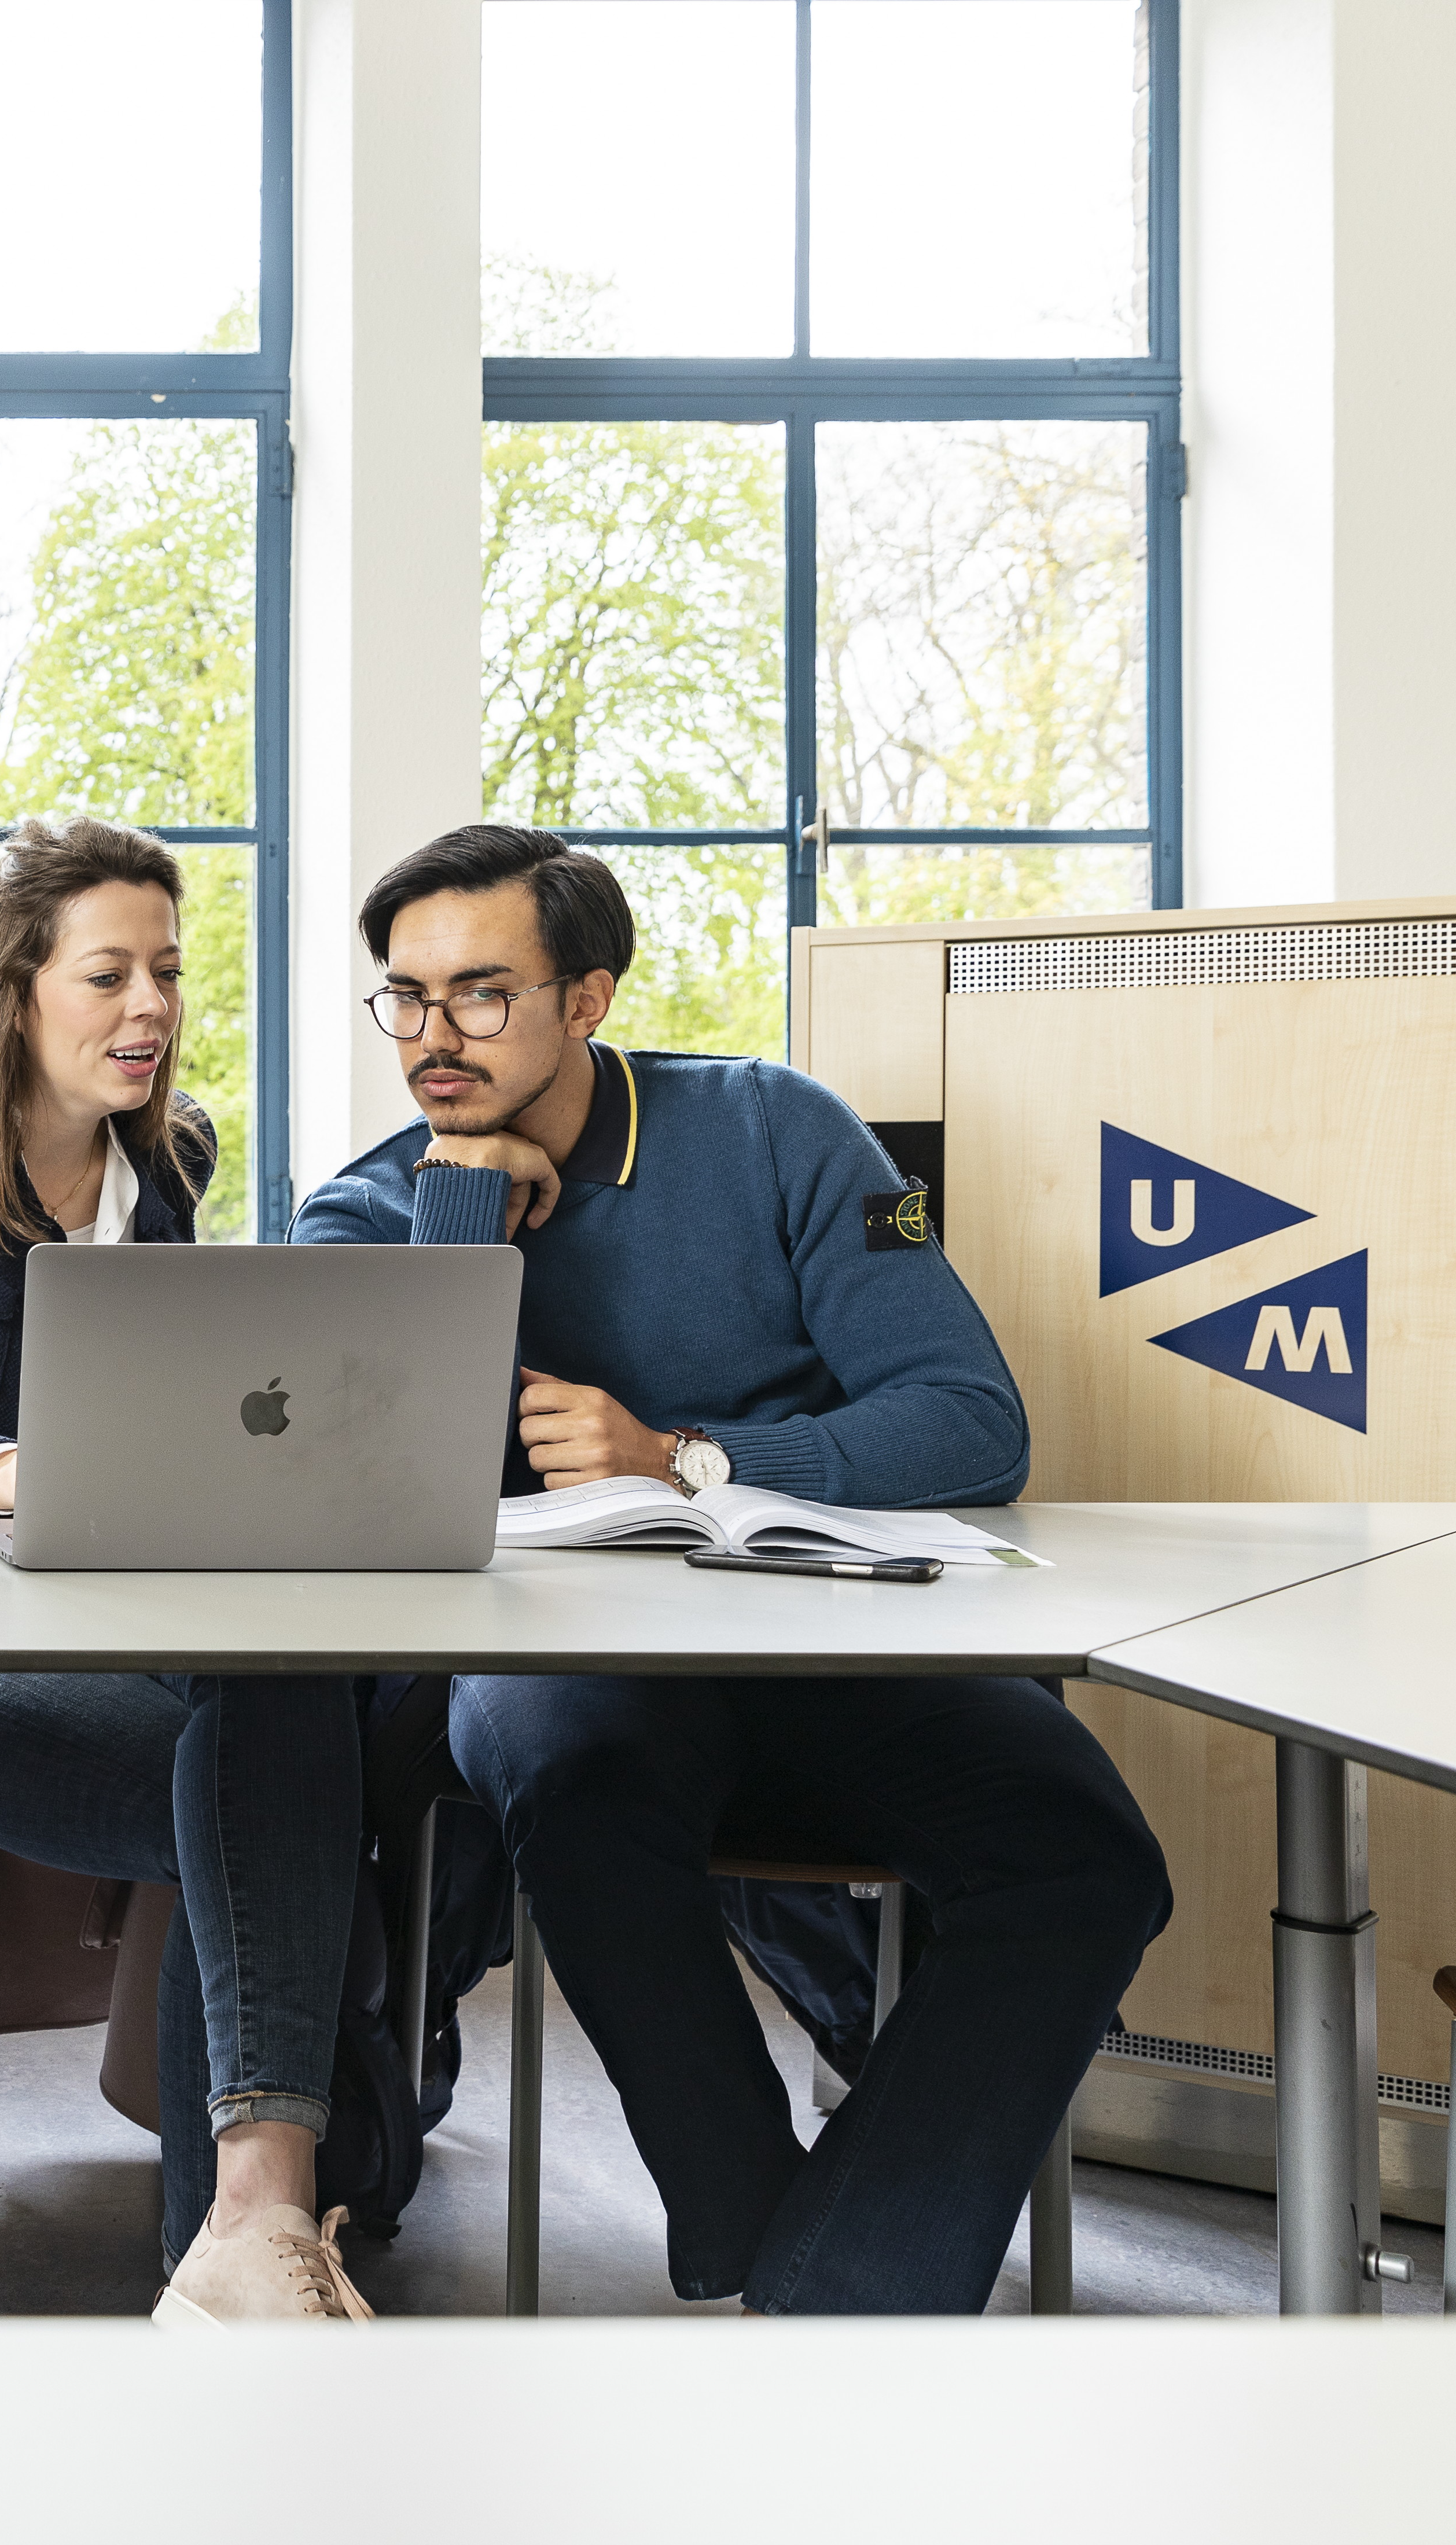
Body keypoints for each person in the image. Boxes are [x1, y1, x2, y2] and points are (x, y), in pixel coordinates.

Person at [295, 823, 1170, 2315]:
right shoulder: (364, 1210)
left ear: (591, 998)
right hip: (573, 1682)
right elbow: (388, 1493)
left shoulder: (783, 1130)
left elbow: (971, 1422)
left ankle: (840, 2287)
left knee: (1086, 1855)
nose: (433, 1039)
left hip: (834, 1656)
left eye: (483, 996)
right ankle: (760, 2241)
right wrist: (460, 1202)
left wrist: (684, 1459)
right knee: (576, 1779)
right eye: (405, 998)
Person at [0, 815, 378, 2327]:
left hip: (121, 1626)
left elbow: (180, 1395)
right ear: (13, 988)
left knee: (280, 1716)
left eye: (167, 972)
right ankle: (252, 2232)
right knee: (250, 1790)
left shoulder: (168, 1154)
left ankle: (245, 2238)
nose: (153, 1008)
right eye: (109, 972)